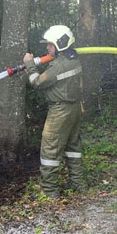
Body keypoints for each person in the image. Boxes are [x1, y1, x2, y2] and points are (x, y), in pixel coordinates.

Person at [23, 25, 84, 199]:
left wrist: (29, 64)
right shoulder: (75, 60)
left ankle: (50, 192)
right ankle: (78, 184)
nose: (47, 48)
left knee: (50, 149)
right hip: (74, 108)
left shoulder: (58, 66)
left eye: (50, 44)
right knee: (73, 147)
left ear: (60, 44)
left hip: (60, 111)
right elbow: (79, 83)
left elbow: (37, 82)